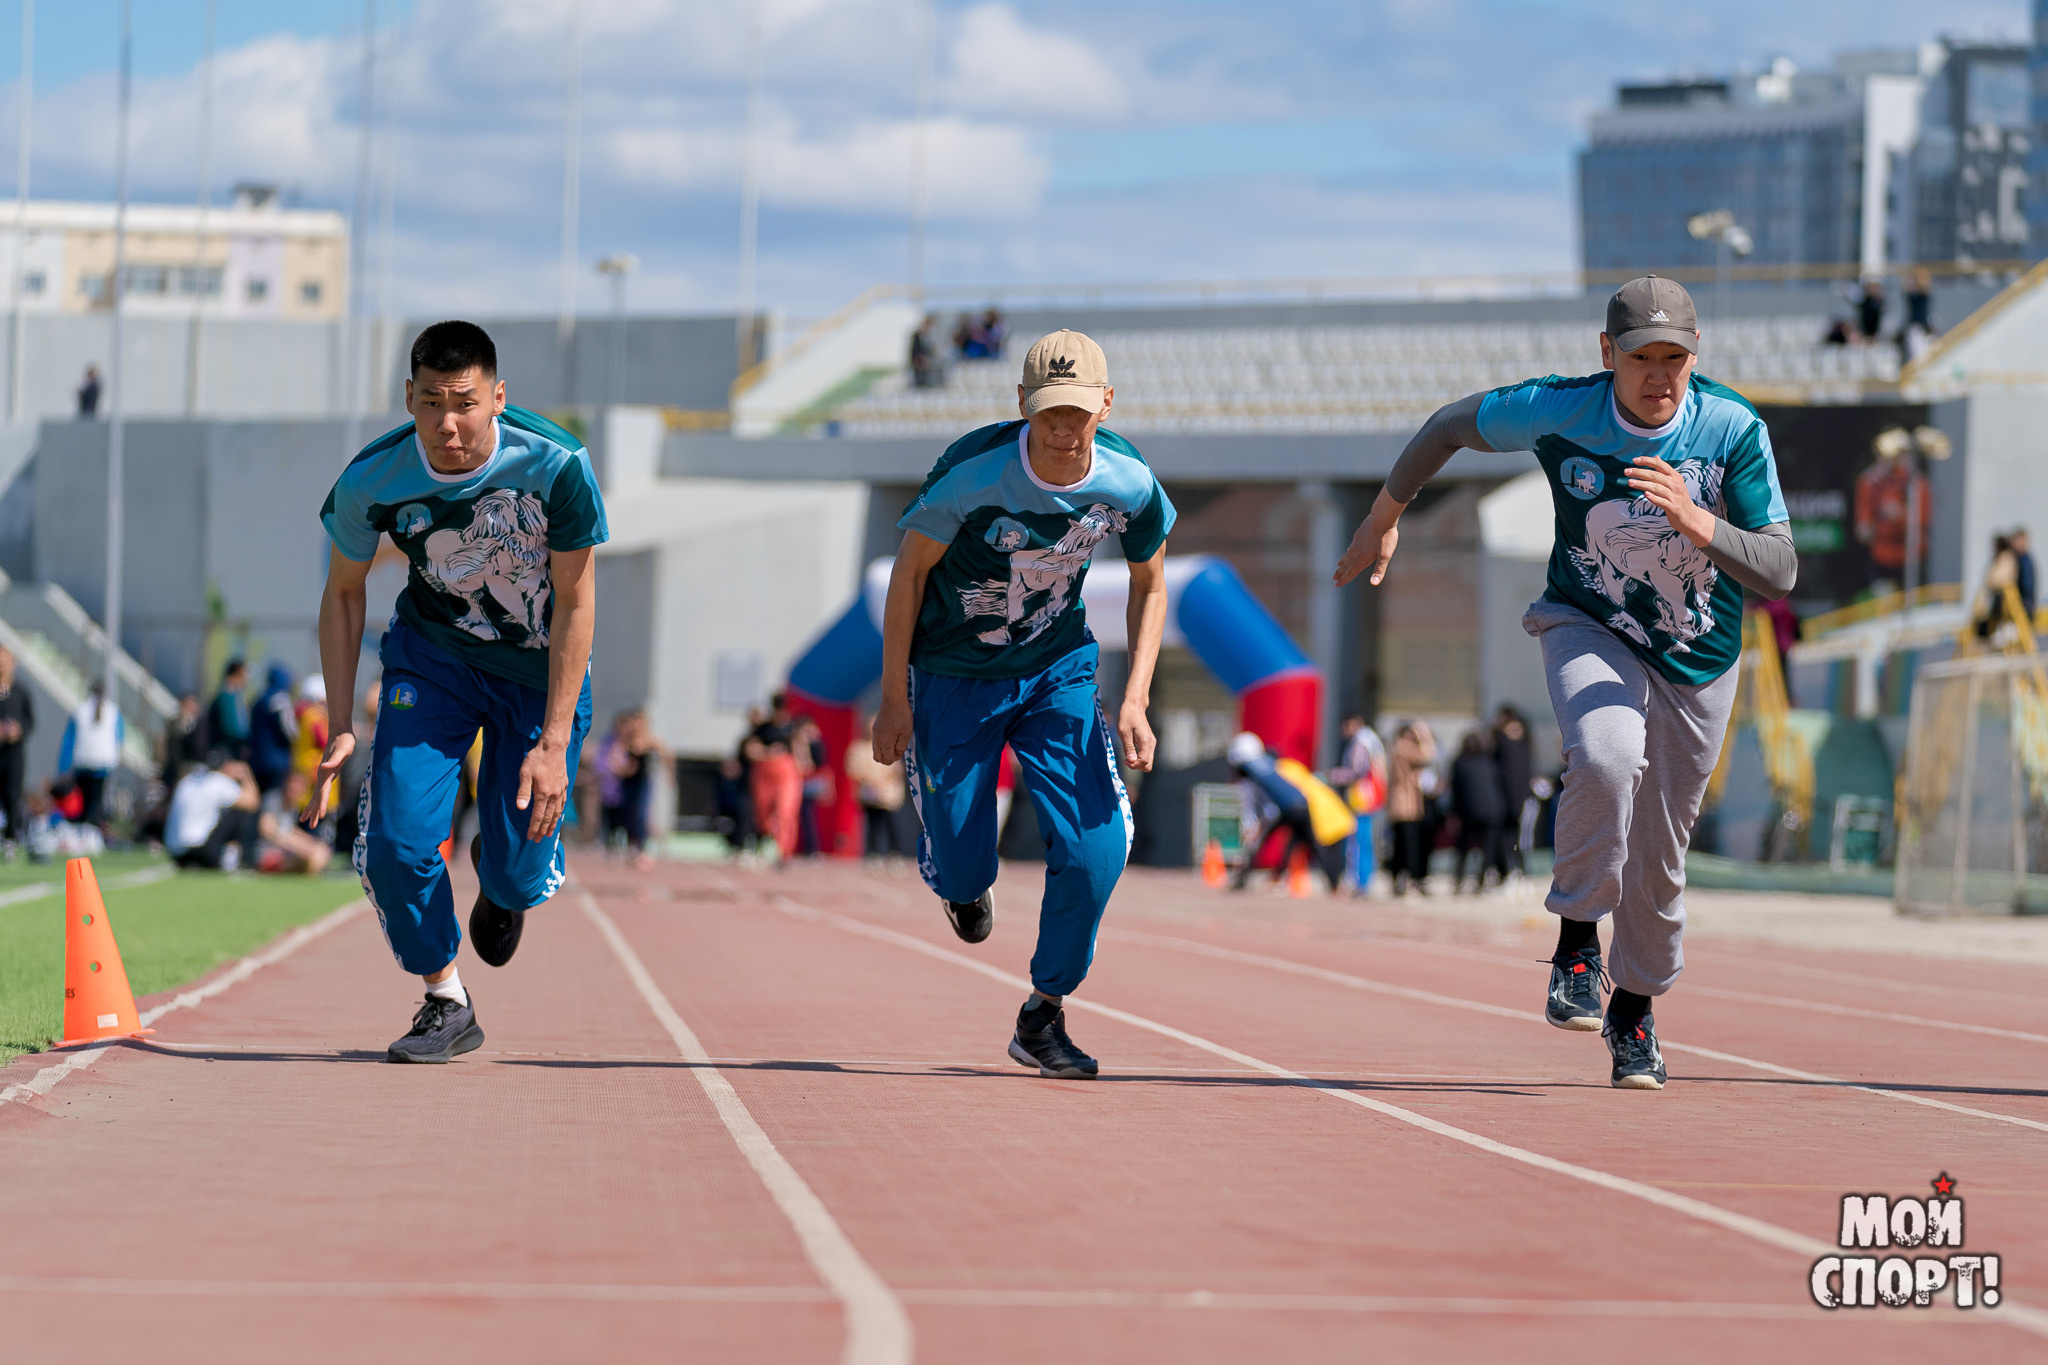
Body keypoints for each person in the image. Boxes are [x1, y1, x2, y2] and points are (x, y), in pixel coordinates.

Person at [1335, 274, 1798, 1090]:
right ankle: (1578, 941)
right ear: (1606, 353)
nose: (1659, 376)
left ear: (1697, 357)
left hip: (1698, 660)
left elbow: (1781, 568)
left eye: (1675, 359)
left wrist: (1698, 521)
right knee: (1607, 753)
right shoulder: (1560, 408)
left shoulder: (1728, 428)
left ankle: (1636, 1010)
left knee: (1660, 861)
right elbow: (1448, 426)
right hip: (1589, 623)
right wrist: (1382, 516)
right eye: (1641, 357)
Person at [872, 328, 1173, 1079]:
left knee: (1098, 848)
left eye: (1077, 411)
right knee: (964, 859)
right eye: (1048, 413)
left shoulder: (1130, 480)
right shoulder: (973, 473)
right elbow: (907, 577)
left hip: (1056, 669)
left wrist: (1135, 698)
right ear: (1022, 406)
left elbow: (1151, 584)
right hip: (952, 674)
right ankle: (960, 883)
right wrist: (891, 698)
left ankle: (1043, 1012)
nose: (1063, 430)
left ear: (1105, 403)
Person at [307, 320, 606, 1066]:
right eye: (432, 401)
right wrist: (341, 719)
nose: (449, 423)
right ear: (408, 397)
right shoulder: (371, 480)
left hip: (537, 676)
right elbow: (343, 592)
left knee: (514, 868)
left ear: (498, 396)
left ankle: (506, 884)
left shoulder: (556, 463)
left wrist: (556, 741)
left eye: (467, 402)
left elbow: (577, 602)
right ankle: (445, 997)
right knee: (395, 846)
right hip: (433, 660)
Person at [1226, 731, 1352, 894]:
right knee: (1309, 845)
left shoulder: (1251, 772)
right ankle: (1333, 884)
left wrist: (1256, 825)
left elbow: (1264, 803)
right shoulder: (1271, 764)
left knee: (1261, 843)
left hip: (1287, 808)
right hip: (1302, 806)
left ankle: (1245, 879)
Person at [165, 755, 331, 873]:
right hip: (200, 850)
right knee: (239, 811)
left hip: (175, 851)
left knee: (315, 857)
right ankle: (233, 858)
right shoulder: (220, 782)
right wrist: (246, 774)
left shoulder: (188, 780)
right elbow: (254, 805)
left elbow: (288, 830)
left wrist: (311, 844)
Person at [1328, 713, 1386, 894]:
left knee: (1358, 841)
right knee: (1365, 839)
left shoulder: (1361, 742)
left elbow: (1357, 771)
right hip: (1371, 797)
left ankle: (1361, 882)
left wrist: (1333, 776)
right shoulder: (1371, 739)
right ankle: (1365, 881)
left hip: (1361, 798)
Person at [743, 694, 804, 862]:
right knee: (763, 815)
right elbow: (750, 749)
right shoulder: (763, 728)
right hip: (765, 773)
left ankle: (784, 850)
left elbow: (800, 751)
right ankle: (769, 840)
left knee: (786, 811)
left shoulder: (792, 728)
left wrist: (800, 764)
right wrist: (767, 752)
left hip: (786, 774)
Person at [1450, 729, 1508, 893]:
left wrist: (1454, 813)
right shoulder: (1488, 761)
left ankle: (1459, 880)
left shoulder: (1459, 763)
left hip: (1469, 810)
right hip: (1493, 809)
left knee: (1463, 847)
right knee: (1487, 848)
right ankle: (1481, 882)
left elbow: (1456, 791)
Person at [59, 682, 122, 832]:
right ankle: (92, 830)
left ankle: (82, 829)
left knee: (83, 800)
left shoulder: (80, 709)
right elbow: (119, 737)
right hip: (103, 762)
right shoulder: (113, 710)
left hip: (82, 761)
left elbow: (70, 739)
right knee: (96, 799)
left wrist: (63, 767)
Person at [1385, 721, 1437, 895]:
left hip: (1402, 805)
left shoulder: (1397, 748)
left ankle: (1400, 881)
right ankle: (1410, 880)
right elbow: (1429, 755)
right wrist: (1424, 734)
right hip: (1406, 805)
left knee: (1401, 845)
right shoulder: (1403, 748)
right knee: (1409, 845)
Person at [846, 715, 906, 857]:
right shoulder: (859, 748)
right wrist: (870, 781)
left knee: (891, 823)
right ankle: (873, 853)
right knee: (873, 824)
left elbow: (896, 770)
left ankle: (894, 853)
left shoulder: (890, 746)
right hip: (870, 792)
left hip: (887, 793)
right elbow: (853, 769)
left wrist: (887, 781)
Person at [1492, 706, 1533, 879]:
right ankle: (1510, 869)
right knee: (1509, 837)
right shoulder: (1504, 746)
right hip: (1507, 801)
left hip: (1520, 800)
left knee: (1520, 837)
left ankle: (1520, 869)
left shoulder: (1522, 748)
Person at [247, 664, 298, 801]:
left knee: (256, 797)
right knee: (271, 800)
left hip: (257, 759)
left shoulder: (258, 700)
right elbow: (291, 732)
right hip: (277, 762)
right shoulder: (280, 700)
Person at [0, 648, 32, 854]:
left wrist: (18, 730)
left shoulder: (21, 691)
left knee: (12, 794)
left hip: (13, 753)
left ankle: (10, 838)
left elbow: (30, 721)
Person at [207, 659, 250, 763]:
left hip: (228, 749)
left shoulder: (234, 696)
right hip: (226, 750)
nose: (246, 679)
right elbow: (231, 728)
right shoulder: (228, 697)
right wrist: (248, 738)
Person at [162, 692, 207, 787]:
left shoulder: (195, 723)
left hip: (188, 768)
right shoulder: (177, 723)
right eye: (190, 704)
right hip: (177, 768)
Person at [2013, 528, 2036, 623]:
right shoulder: (2017, 559)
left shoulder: (2025, 560)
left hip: (2024, 604)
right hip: (2019, 604)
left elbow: (2028, 586)